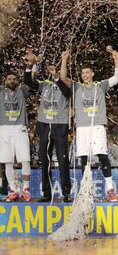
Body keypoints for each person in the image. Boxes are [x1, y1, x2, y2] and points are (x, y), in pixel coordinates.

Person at [60, 47, 118, 202]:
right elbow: (62, 77)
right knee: (84, 160)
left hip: (97, 127)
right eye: (83, 73)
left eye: (87, 72)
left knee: (102, 156)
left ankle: (110, 190)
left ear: (92, 74)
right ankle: (87, 191)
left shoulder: (100, 86)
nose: (85, 75)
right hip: (82, 128)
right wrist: (65, 59)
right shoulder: (77, 87)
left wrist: (116, 60)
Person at [24, 49, 72, 202]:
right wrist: (30, 65)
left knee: (63, 160)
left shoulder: (67, 85)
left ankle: (66, 193)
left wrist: (57, 77)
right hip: (44, 125)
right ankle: (47, 193)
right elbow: (29, 83)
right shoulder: (44, 85)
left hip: (60, 126)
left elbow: (66, 93)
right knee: (45, 160)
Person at [0, 54, 32, 202]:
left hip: (20, 128)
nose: (12, 81)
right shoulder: (1, 92)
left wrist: (29, 66)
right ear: (5, 81)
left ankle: (25, 189)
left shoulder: (22, 91)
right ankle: (12, 190)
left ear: (17, 81)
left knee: (25, 160)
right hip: (4, 129)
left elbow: (27, 79)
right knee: (8, 162)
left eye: (14, 79)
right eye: (9, 79)